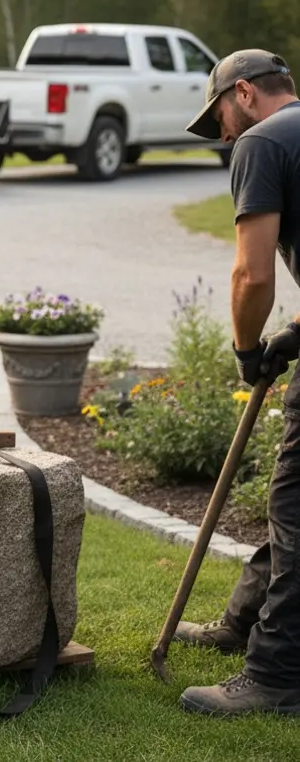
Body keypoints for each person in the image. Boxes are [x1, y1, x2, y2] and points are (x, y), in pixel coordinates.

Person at [176, 48, 300, 716]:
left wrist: (247, 349)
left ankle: (277, 676)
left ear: (245, 93)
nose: (224, 136)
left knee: (296, 505)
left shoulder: (262, 142)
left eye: (220, 117)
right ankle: (244, 621)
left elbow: (252, 275)